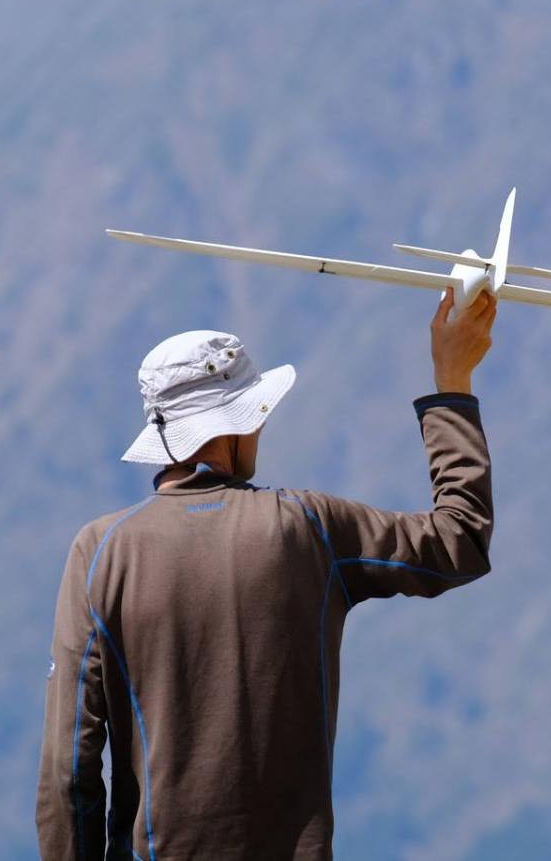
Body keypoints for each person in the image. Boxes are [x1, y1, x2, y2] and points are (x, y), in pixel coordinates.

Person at [37, 287, 497, 860]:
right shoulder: (307, 528)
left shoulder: (100, 553)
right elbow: (460, 539)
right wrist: (453, 377)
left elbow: (68, 770)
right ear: (239, 422)